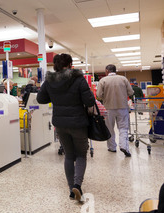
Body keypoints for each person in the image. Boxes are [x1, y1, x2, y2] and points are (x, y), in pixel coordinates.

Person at [37, 54, 95, 201]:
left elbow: (40, 98)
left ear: (55, 65)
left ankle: (71, 189)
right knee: (81, 154)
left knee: (69, 155)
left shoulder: (50, 80)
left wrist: (55, 96)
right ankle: (77, 184)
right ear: (70, 64)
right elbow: (89, 101)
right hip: (78, 123)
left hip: (60, 124)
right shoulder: (78, 79)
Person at [96, 64, 134, 157]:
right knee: (123, 128)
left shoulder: (103, 80)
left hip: (108, 108)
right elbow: (131, 92)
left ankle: (112, 147)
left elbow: (99, 95)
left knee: (109, 129)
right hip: (122, 108)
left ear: (107, 71)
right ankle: (124, 146)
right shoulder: (123, 79)